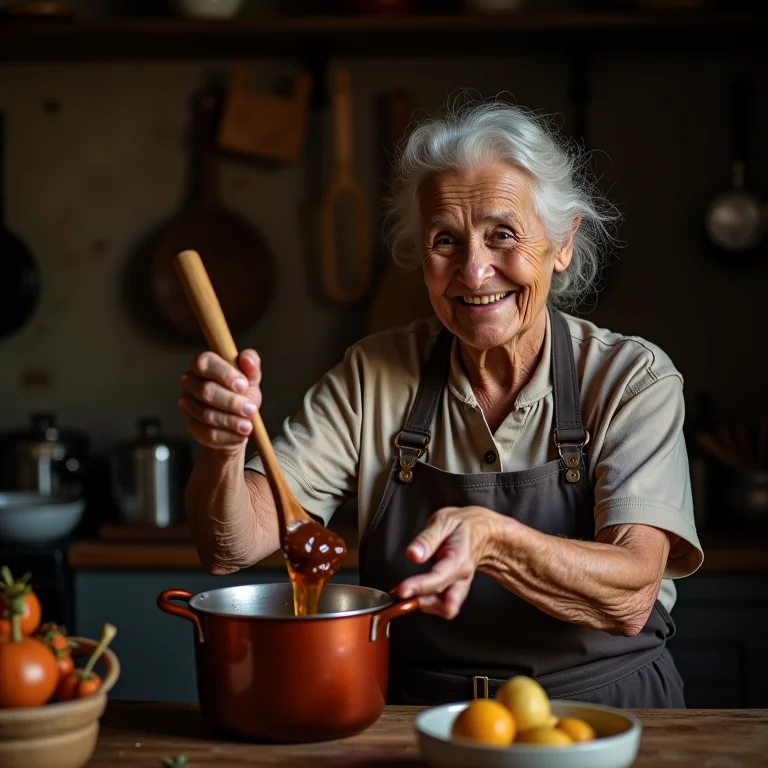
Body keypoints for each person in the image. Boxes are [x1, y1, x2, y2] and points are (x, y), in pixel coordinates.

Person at [178, 100, 703, 708]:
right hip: (414, 714)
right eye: (445, 240)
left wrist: (494, 540)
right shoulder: (371, 375)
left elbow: (631, 592)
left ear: (562, 243)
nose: (474, 272)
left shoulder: (631, 378)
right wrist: (223, 450)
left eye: (502, 235)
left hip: (603, 710)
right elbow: (231, 548)